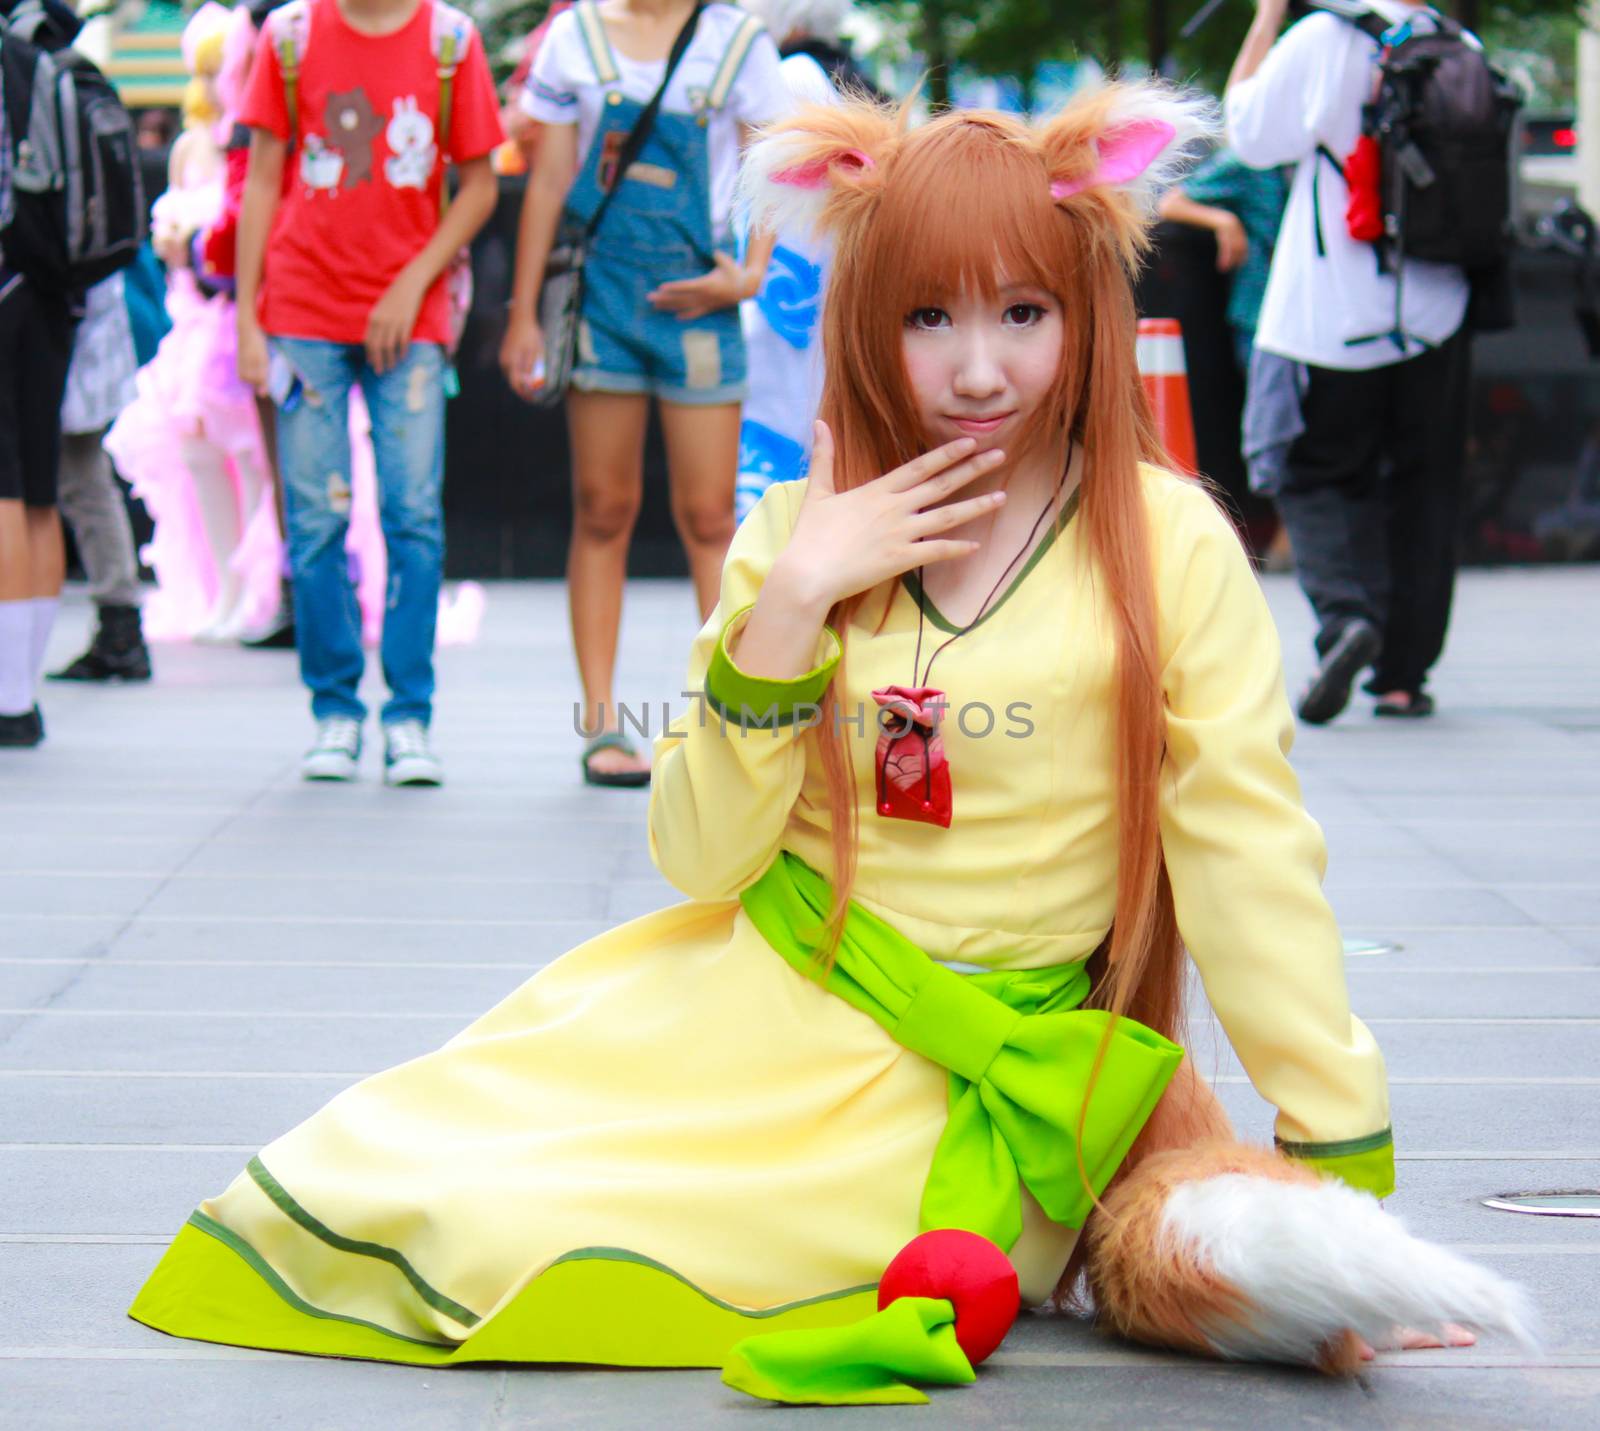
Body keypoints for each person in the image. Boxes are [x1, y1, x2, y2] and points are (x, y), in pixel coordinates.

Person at [128, 85, 1529, 1397]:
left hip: (998, 1061)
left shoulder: (1168, 545)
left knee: (618, 1228)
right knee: (432, 1176)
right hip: (768, 998)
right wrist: (794, 594)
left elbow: (1248, 857)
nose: (979, 369)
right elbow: (699, 853)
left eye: (1024, 313)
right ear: (868, 315)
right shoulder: (801, 530)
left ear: (1085, 307)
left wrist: (1336, 1149)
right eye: (929, 318)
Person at [500, 0, 787, 788]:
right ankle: (601, 725)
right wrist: (524, 312)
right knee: (602, 508)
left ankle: (723, 721)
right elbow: (551, 177)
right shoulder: (575, 37)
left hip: (701, 307)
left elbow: (775, 164)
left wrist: (749, 273)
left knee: (707, 517)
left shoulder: (736, 42)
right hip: (603, 303)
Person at [234, 0, 503, 785]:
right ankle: (335, 710)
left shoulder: (450, 41)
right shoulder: (290, 36)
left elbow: (480, 185)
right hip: (301, 314)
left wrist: (414, 281)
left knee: (412, 517)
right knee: (315, 522)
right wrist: (250, 320)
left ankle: (410, 716)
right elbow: (261, 180)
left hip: (409, 318)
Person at [1226, 0, 1474, 723]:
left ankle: (1346, 619)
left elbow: (1248, 135)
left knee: (1308, 469)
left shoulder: (1322, 38)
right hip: (1436, 310)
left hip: (1330, 312)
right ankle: (1402, 678)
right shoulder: (1459, 44)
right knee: (1424, 486)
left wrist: (1264, 19)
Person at [105, 1, 274, 645]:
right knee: (200, 461)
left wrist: (205, 250)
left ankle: (262, 592)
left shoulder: (255, 138)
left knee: (255, 461)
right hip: (193, 330)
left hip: (238, 322)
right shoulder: (190, 147)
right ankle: (224, 590)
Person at [732, 0, 880, 524]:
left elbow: (772, 209)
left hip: (789, 313)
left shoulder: (789, 79)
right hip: (838, 302)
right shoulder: (857, 82)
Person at [0, 0, 84, 749]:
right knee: (35, 490)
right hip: (51, 296)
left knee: (1, 489)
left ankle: (4, 697)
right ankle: (20, 691)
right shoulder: (46, 61)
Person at [50, 271, 153, 683]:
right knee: (80, 479)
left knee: (79, 478)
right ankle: (120, 621)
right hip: (79, 320)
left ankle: (120, 625)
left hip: (70, 322)